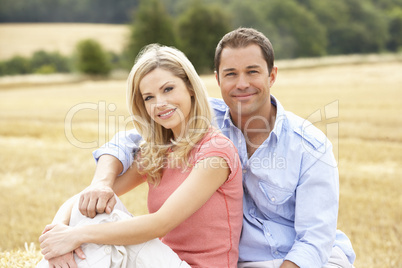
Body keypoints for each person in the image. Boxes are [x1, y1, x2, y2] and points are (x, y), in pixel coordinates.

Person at [78, 28, 356, 268]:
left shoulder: (310, 146)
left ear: (272, 76)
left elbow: (314, 240)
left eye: (252, 72)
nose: (242, 83)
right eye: (231, 74)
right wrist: (101, 183)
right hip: (245, 261)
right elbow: (130, 141)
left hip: (305, 260)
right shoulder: (201, 116)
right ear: (217, 79)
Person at [37, 44, 243, 268]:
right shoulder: (158, 151)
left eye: (168, 89)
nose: (159, 104)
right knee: (98, 202)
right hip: (159, 261)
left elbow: (159, 224)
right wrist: (56, 236)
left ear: (190, 88)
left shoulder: (216, 152)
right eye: (148, 97)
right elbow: (85, 199)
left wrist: (76, 236)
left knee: (105, 218)